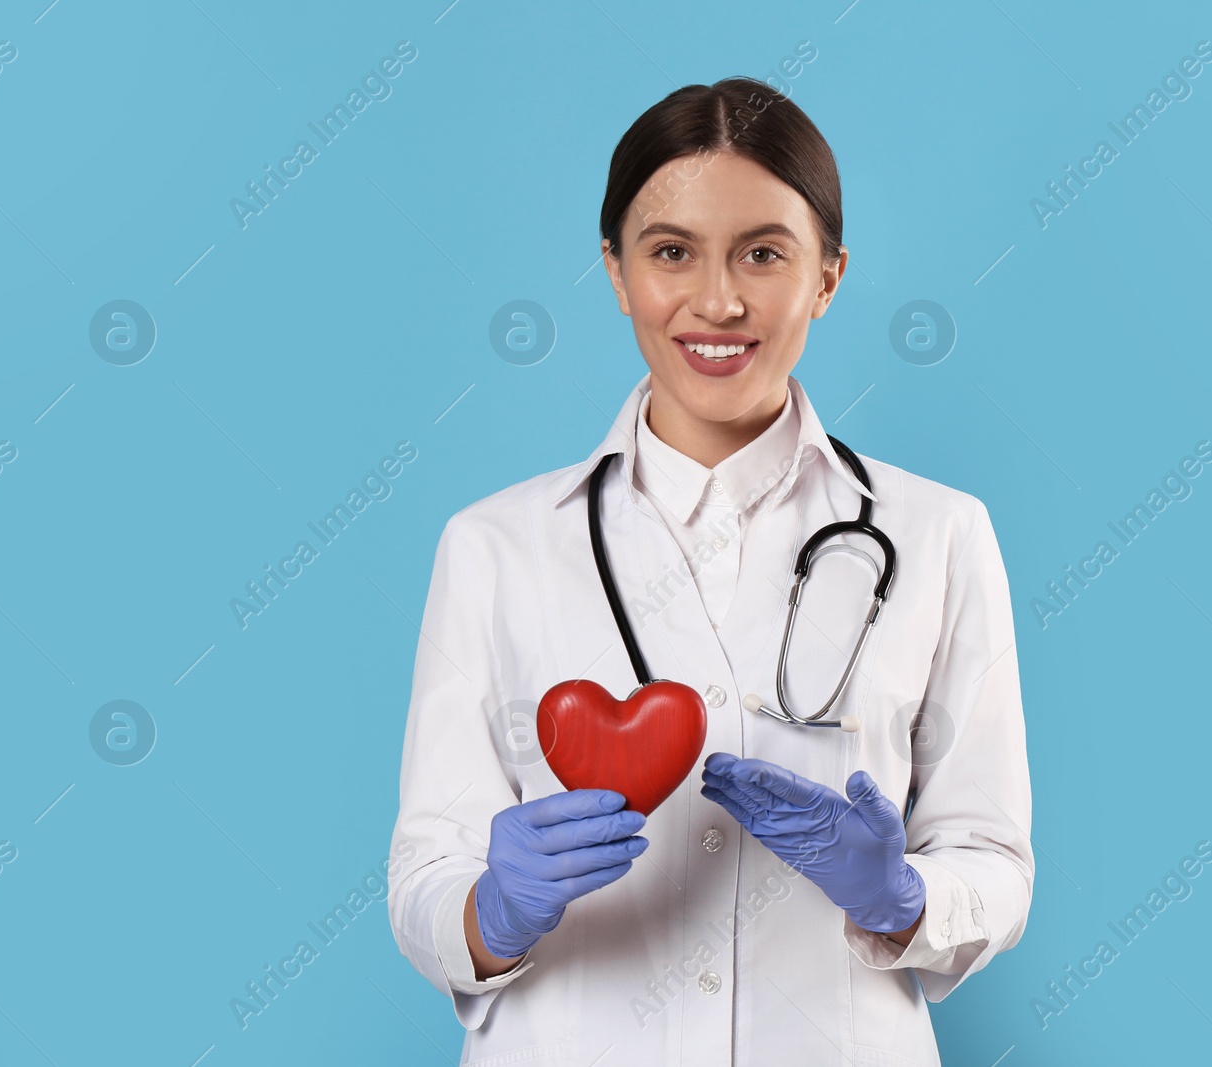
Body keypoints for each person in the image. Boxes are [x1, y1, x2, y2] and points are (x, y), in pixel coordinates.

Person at [387, 76, 1033, 1066]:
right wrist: (494, 908)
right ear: (615, 271)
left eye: (764, 253)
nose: (717, 299)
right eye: (671, 252)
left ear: (827, 275)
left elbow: (994, 864)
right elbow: (424, 876)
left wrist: (906, 899)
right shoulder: (495, 547)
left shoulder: (938, 534)